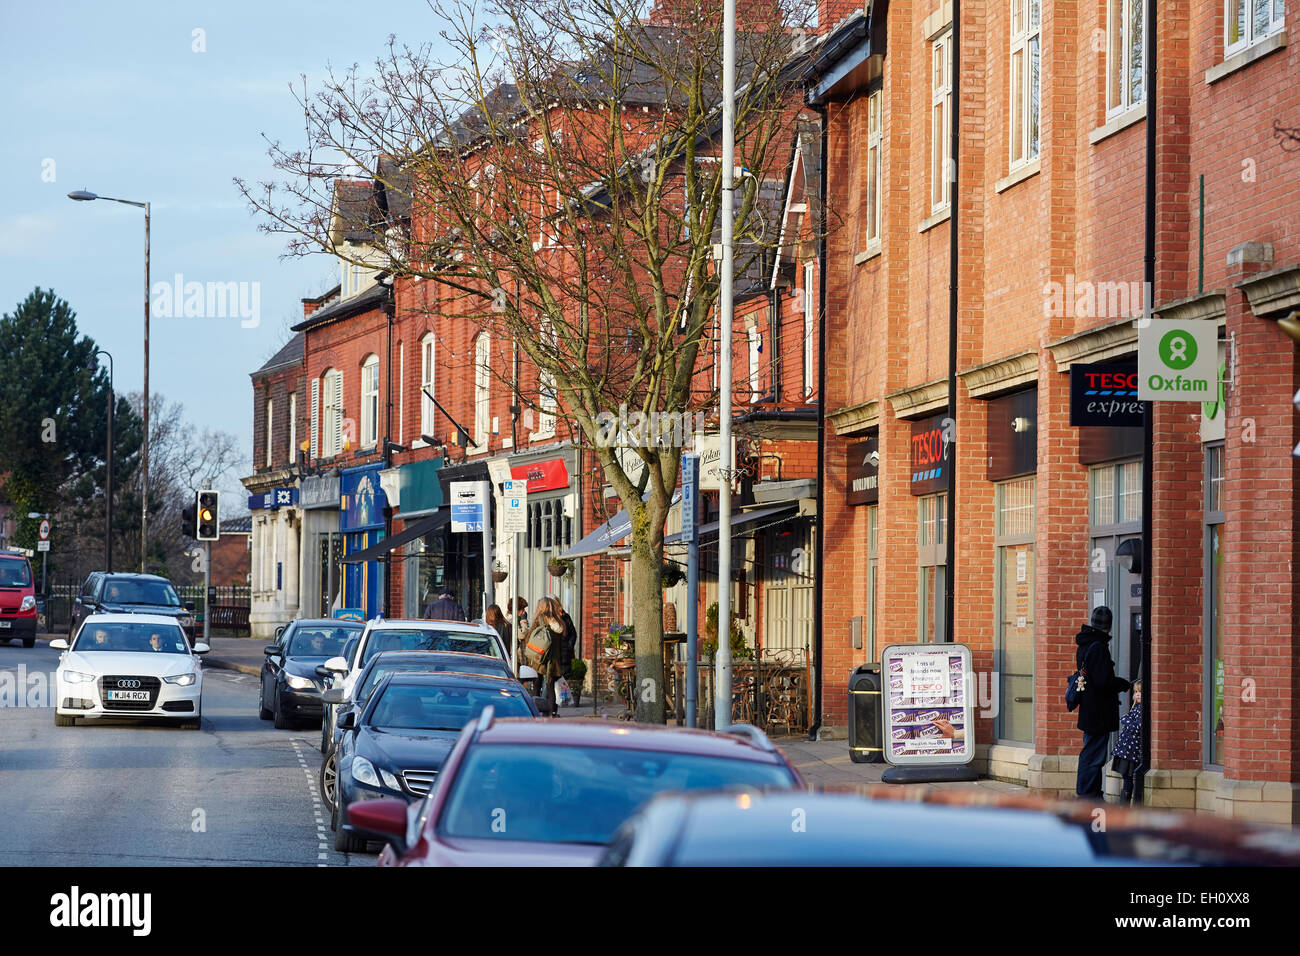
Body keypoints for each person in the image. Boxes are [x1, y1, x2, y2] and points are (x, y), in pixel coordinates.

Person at [1074, 606, 1131, 798]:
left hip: (1089, 710)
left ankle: (1087, 793)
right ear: (1108, 626)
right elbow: (1102, 681)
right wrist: (1122, 684)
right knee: (1094, 756)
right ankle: (1089, 795)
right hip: (1098, 712)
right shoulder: (1098, 647)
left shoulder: (1086, 644)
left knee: (1090, 753)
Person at [1111, 681, 1143, 804]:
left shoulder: (1141, 709)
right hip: (1125, 750)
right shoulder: (1135, 707)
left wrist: (1125, 719)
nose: (1138, 695)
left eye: (1140, 692)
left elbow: (1138, 727)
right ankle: (1124, 803)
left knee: (1128, 778)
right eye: (1136, 692)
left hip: (1131, 751)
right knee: (1126, 777)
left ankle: (1125, 805)